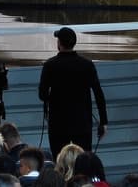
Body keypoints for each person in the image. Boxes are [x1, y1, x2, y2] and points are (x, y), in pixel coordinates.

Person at [38, 28, 107, 159]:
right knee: (83, 160)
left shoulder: (50, 65)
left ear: (59, 43)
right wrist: (103, 122)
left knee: (60, 161)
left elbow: (42, 95)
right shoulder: (87, 64)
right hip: (82, 124)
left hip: (58, 125)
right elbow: (98, 93)